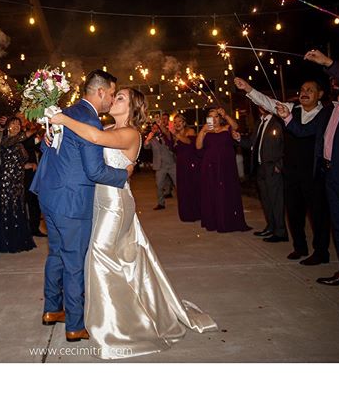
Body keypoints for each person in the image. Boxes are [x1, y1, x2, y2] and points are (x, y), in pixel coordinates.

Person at [50, 88, 217, 359]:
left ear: (133, 107)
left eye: (120, 97)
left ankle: (116, 328)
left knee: (100, 257)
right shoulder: (107, 126)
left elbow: (94, 138)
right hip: (99, 201)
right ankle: (125, 314)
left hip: (116, 204)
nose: (113, 99)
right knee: (124, 260)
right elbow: (87, 146)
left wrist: (64, 119)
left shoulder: (130, 133)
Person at [30, 70, 130, 342]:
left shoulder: (64, 112)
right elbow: (95, 171)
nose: (111, 100)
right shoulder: (89, 120)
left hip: (48, 195)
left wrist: (44, 139)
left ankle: (52, 309)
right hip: (72, 201)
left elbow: (47, 146)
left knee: (57, 254)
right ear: (100, 92)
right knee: (74, 261)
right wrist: (125, 174)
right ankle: (75, 324)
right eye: (111, 94)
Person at [275, 68, 339, 298]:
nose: (335, 80)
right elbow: (303, 131)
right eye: (332, 77)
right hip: (329, 176)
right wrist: (287, 116)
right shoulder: (330, 110)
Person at [235, 76, 330, 263]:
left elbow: (306, 131)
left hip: (314, 172)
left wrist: (286, 117)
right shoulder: (292, 109)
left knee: (318, 214)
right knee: (294, 213)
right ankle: (299, 247)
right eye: (302, 89)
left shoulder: (326, 114)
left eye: (310, 90)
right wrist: (247, 88)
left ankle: (321, 252)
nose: (304, 92)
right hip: (292, 172)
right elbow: (268, 102)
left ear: (320, 94)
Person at [236, 105, 287, 243]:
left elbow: (286, 145)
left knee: (276, 200)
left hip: (272, 167)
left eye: (264, 103)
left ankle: (281, 232)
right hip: (260, 167)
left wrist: (279, 165)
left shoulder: (278, 122)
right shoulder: (259, 123)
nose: (262, 106)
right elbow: (252, 144)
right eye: (259, 103)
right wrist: (239, 138)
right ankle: (271, 227)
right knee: (266, 200)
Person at [196, 107, 251, 233]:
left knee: (227, 191)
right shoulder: (206, 130)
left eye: (216, 116)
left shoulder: (226, 128)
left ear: (219, 118)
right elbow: (198, 146)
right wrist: (202, 132)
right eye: (211, 116)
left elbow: (236, 126)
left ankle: (228, 219)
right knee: (213, 192)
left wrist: (225, 114)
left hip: (226, 166)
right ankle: (214, 220)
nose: (214, 119)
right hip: (210, 166)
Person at [0, 117, 36, 254]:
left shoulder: (19, 144)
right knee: (9, 209)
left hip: (18, 180)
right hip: (7, 180)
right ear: (8, 126)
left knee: (18, 207)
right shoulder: (7, 140)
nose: (16, 126)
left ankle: (20, 240)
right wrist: (37, 127)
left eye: (18, 124)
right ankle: (9, 243)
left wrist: (29, 165)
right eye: (13, 123)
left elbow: (18, 163)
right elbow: (23, 136)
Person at [171, 113, 200, 222]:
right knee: (183, 189)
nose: (177, 124)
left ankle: (196, 213)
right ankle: (186, 213)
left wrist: (177, 135)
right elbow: (173, 149)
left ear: (184, 122)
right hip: (180, 164)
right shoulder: (175, 135)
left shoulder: (190, 131)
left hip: (191, 163)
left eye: (179, 121)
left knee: (192, 187)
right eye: (175, 122)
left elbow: (189, 142)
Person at [143, 117, 177, 210]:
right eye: (153, 128)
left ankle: (184, 201)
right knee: (159, 185)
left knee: (178, 184)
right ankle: (161, 203)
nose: (155, 129)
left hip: (171, 164)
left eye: (156, 127)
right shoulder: (152, 140)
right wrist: (148, 139)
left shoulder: (166, 136)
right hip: (159, 166)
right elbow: (146, 147)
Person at [21, 119, 46, 237]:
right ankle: (26, 228)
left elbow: (37, 147)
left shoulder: (32, 133)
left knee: (34, 200)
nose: (24, 121)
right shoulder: (19, 134)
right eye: (21, 119)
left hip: (35, 170)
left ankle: (34, 228)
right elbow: (27, 144)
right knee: (26, 200)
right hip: (23, 171)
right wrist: (36, 131)